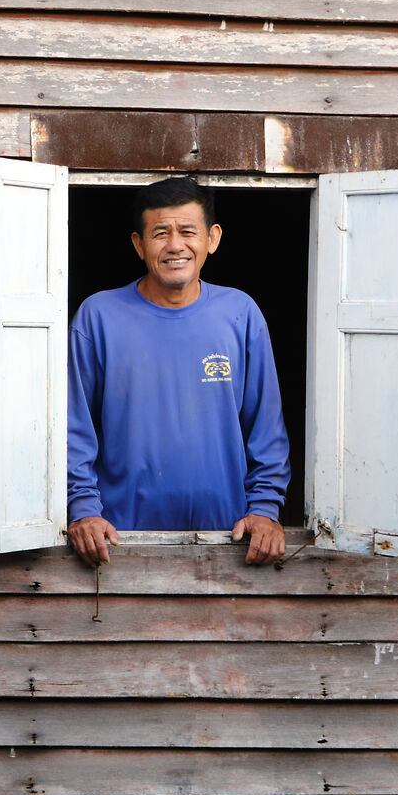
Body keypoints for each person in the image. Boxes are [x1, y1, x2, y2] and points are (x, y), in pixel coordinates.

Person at [67, 175, 290, 566]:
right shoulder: (98, 317)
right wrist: (83, 509)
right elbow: (73, 425)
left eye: (188, 231)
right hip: (119, 540)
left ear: (212, 238)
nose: (175, 245)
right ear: (138, 243)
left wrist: (266, 509)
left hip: (230, 540)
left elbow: (265, 426)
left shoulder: (240, 314)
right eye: (160, 233)